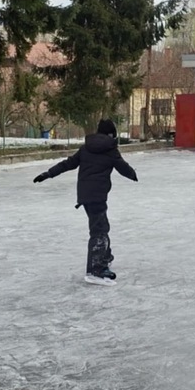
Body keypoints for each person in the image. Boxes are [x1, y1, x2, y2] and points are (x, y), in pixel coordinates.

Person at [33, 118, 137, 286]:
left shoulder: (86, 148)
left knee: (101, 226)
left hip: (85, 195)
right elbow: (122, 167)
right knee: (99, 230)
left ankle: (105, 257)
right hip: (97, 195)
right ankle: (96, 270)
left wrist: (48, 173)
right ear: (112, 134)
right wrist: (133, 175)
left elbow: (69, 163)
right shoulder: (110, 149)